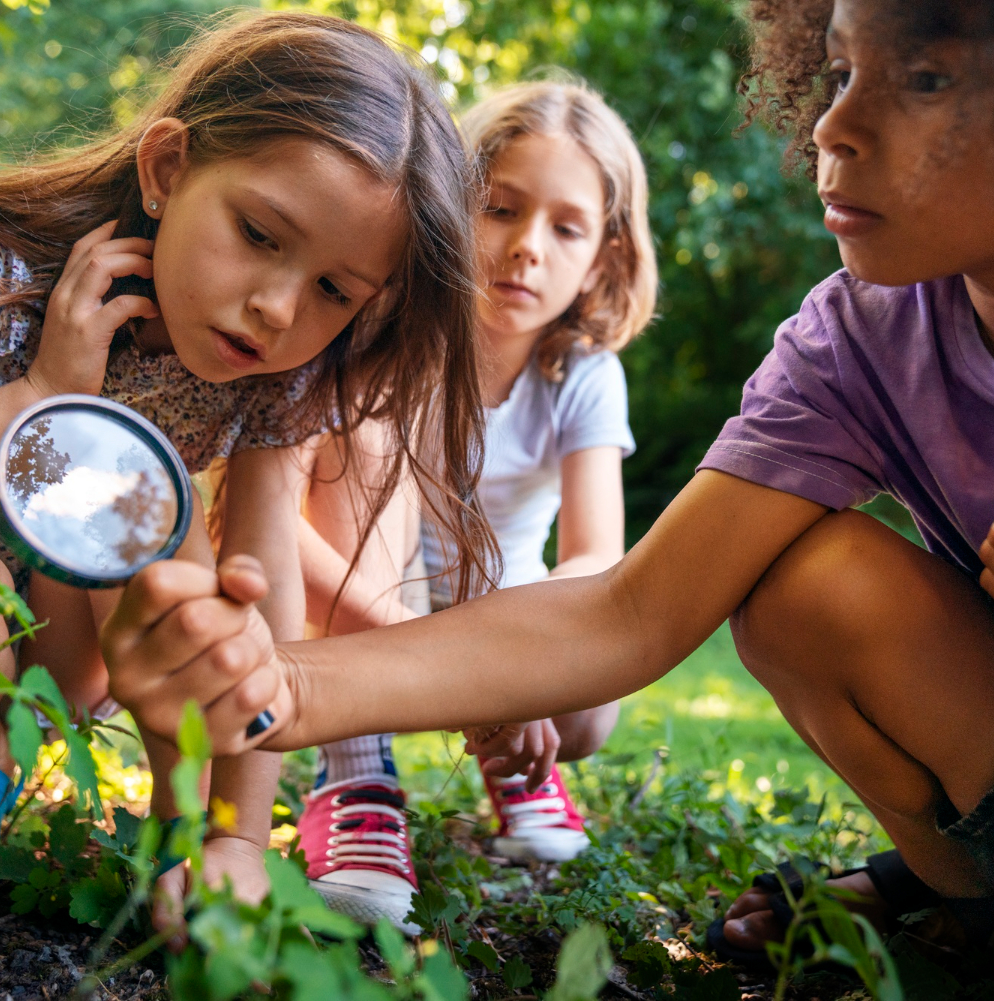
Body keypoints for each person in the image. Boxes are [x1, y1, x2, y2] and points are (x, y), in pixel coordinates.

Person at [104, 0, 994, 973]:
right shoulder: (861, 338)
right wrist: (274, 681)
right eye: (838, 69)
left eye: (923, 80)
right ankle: (958, 896)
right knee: (805, 584)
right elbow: (628, 608)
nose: (838, 126)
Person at [0, 11, 492, 909]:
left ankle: (184, 834)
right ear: (166, 170)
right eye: (261, 235)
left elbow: (256, 595)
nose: (276, 306)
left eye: (332, 290)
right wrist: (38, 394)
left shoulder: (271, 380)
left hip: (71, 650)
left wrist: (235, 833)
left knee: (148, 510)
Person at [285, 80, 656, 932]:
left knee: (592, 704)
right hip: (359, 597)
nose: (527, 247)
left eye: (566, 229)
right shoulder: (384, 333)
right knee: (366, 452)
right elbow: (286, 538)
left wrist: (521, 674)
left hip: (500, 607)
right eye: (500, 208)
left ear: (602, 257)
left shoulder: (585, 374)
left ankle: (515, 760)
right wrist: (466, 681)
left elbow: (598, 555)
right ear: (453, 207)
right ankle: (355, 770)